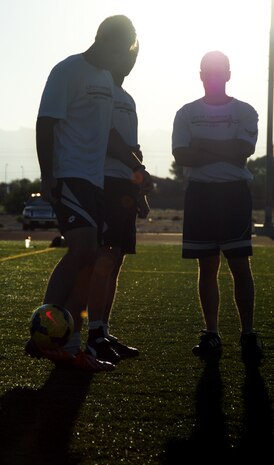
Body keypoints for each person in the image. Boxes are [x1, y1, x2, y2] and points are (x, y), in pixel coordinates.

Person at [25, 15, 151, 372]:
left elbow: (110, 135)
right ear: (102, 40)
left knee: (91, 255)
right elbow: (45, 122)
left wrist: (137, 169)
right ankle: (46, 335)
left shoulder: (105, 82)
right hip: (69, 175)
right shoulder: (67, 71)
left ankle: (70, 344)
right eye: (120, 48)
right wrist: (47, 174)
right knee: (83, 249)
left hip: (95, 181)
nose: (123, 58)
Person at [172, 51, 263, 361]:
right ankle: (212, 334)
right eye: (207, 71)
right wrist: (225, 150)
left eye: (218, 71)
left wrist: (203, 146)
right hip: (200, 195)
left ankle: (248, 334)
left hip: (234, 194)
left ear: (228, 74)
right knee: (207, 267)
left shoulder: (245, 111)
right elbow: (182, 156)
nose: (213, 76)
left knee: (240, 265)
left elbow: (244, 150)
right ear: (200, 75)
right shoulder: (186, 113)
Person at [63, 53, 151, 365]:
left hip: (124, 184)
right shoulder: (101, 93)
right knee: (103, 257)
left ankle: (101, 330)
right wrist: (136, 164)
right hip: (103, 182)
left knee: (115, 260)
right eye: (125, 54)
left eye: (133, 56)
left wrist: (137, 186)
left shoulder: (127, 97)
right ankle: (90, 334)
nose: (129, 62)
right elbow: (110, 140)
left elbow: (131, 146)